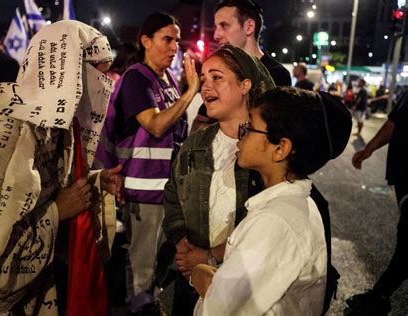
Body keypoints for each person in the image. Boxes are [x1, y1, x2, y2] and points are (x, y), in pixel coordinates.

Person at [0, 20, 123, 315]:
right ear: (66, 72)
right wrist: (59, 211)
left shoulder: (52, 126)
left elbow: (44, 190)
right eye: (97, 74)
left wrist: (93, 184)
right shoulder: (2, 134)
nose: (106, 85)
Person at [190, 87, 352, 315]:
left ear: (280, 148)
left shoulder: (275, 223)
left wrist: (199, 273)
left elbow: (220, 307)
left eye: (250, 127)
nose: (241, 134)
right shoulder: (294, 206)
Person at [95, 12, 200, 315]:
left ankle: (146, 302)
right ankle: (139, 308)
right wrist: (190, 93)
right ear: (145, 41)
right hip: (143, 190)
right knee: (143, 262)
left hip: (164, 188)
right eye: (167, 39)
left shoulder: (163, 79)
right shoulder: (136, 77)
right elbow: (155, 125)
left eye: (177, 41)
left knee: (161, 257)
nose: (174, 47)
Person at [163, 45, 275, 316]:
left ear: (245, 85)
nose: (206, 86)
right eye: (203, 79)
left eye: (217, 77)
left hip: (242, 287)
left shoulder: (269, 149)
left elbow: (270, 221)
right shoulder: (194, 145)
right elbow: (172, 196)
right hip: (190, 281)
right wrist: (183, 246)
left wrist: (211, 256)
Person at [345, 90, 408, 315]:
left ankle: (380, 295)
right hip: (403, 177)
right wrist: (368, 149)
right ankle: (380, 295)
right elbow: (393, 123)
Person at [191, 0, 291, 132]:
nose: (216, 35)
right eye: (216, 27)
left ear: (249, 27)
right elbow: (200, 125)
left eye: (224, 25)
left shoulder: (276, 74)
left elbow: (274, 131)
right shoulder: (220, 72)